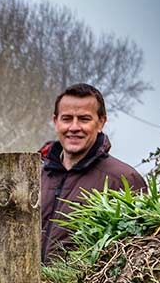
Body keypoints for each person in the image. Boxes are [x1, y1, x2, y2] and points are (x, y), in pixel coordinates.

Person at [40, 83, 148, 264]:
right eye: (67, 119)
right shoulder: (35, 176)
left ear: (101, 123)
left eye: (84, 119)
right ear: (55, 121)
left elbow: (139, 253)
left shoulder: (123, 180)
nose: (74, 127)